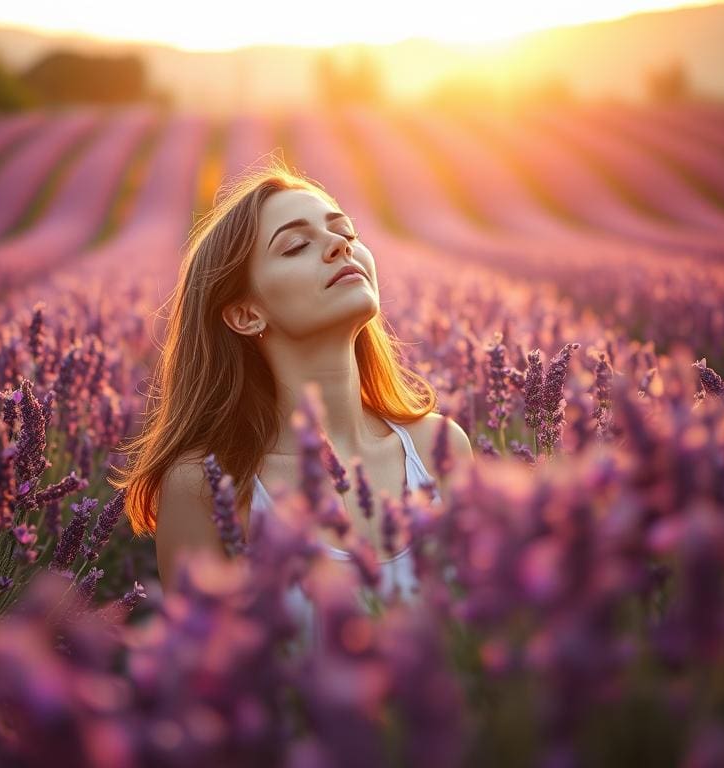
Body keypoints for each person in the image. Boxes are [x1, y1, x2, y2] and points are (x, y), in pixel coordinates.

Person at [111, 158, 475, 600]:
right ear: (246, 314)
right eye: (297, 245)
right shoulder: (207, 488)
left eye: (346, 232)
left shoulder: (440, 447)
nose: (340, 247)